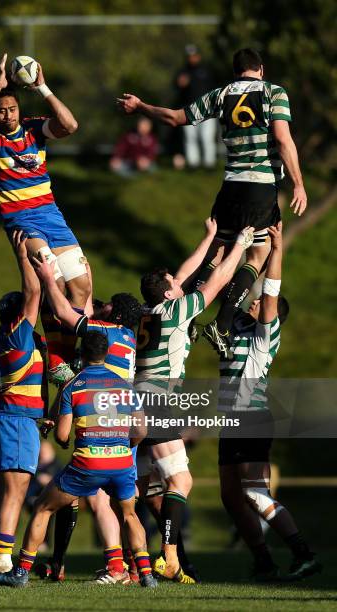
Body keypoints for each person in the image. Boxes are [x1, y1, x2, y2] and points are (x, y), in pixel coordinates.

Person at [117, 47, 307, 358]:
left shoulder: (221, 95)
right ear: (261, 69)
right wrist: (298, 183)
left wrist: (140, 106)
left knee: (217, 251)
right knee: (258, 255)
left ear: (236, 72)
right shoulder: (274, 93)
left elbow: (175, 118)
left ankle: (187, 316)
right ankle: (222, 323)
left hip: (230, 187)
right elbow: (284, 139)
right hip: (260, 187)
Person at [134, 220, 255, 582]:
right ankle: (169, 556)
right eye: (174, 285)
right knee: (181, 481)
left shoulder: (147, 310)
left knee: (144, 490)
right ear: (170, 294)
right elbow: (215, 285)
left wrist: (207, 239)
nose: (180, 284)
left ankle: (134, 559)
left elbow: (186, 274)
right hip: (155, 401)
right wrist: (239, 247)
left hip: (134, 399)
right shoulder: (175, 312)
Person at [0, 331, 157, 589]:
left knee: (43, 506)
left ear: (82, 354)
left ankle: (21, 572)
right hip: (122, 463)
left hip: (88, 464)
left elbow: (63, 435)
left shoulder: (75, 385)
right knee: (129, 514)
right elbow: (141, 431)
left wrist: (64, 436)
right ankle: (146, 575)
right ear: (106, 354)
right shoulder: (125, 385)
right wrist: (124, 445)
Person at [0, 53, 90, 384]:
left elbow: (70, 125)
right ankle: (56, 360)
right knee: (56, 283)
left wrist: (43, 88)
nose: (7, 115)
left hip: (52, 217)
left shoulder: (35, 129)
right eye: (1, 111)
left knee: (81, 288)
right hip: (23, 222)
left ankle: (65, 356)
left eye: (12, 109)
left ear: (19, 110)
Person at [218, 222, 321, 581]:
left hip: (252, 418)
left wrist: (275, 251)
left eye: (261, 302)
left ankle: (303, 553)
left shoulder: (265, 336)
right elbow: (228, 288)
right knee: (231, 497)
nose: (256, 300)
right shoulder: (233, 328)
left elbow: (272, 290)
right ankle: (263, 561)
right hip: (230, 421)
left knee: (256, 494)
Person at [32, 256, 143, 582]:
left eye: (107, 306)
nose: (101, 307)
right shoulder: (128, 338)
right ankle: (136, 569)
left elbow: (67, 314)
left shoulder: (102, 331)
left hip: (102, 424)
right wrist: (87, 272)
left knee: (98, 499)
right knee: (125, 504)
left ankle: (115, 567)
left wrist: (47, 279)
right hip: (124, 425)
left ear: (114, 315)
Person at [0, 230, 47, 583]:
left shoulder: (5, 336)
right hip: (16, 420)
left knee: (1, 493)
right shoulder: (19, 333)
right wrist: (24, 257)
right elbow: (34, 292)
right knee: (16, 492)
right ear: (19, 316)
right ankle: (3, 560)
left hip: (4, 417)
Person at [175, 44, 217, 169]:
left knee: (206, 137)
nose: (191, 58)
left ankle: (209, 164)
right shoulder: (183, 72)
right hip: (188, 109)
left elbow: (215, 89)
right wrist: (180, 84)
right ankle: (193, 163)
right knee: (190, 138)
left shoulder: (206, 70)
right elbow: (176, 87)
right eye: (189, 56)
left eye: (193, 56)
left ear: (198, 56)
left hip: (207, 109)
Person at [24, 440, 62, 551]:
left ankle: (44, 542)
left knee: (45, 514)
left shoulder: (57, 465)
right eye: (41, 450)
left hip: (51, 499)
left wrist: (49, 482)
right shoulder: (36, 465)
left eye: (45, 450)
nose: (42, 453)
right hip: (34, 497)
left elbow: (63, 482)